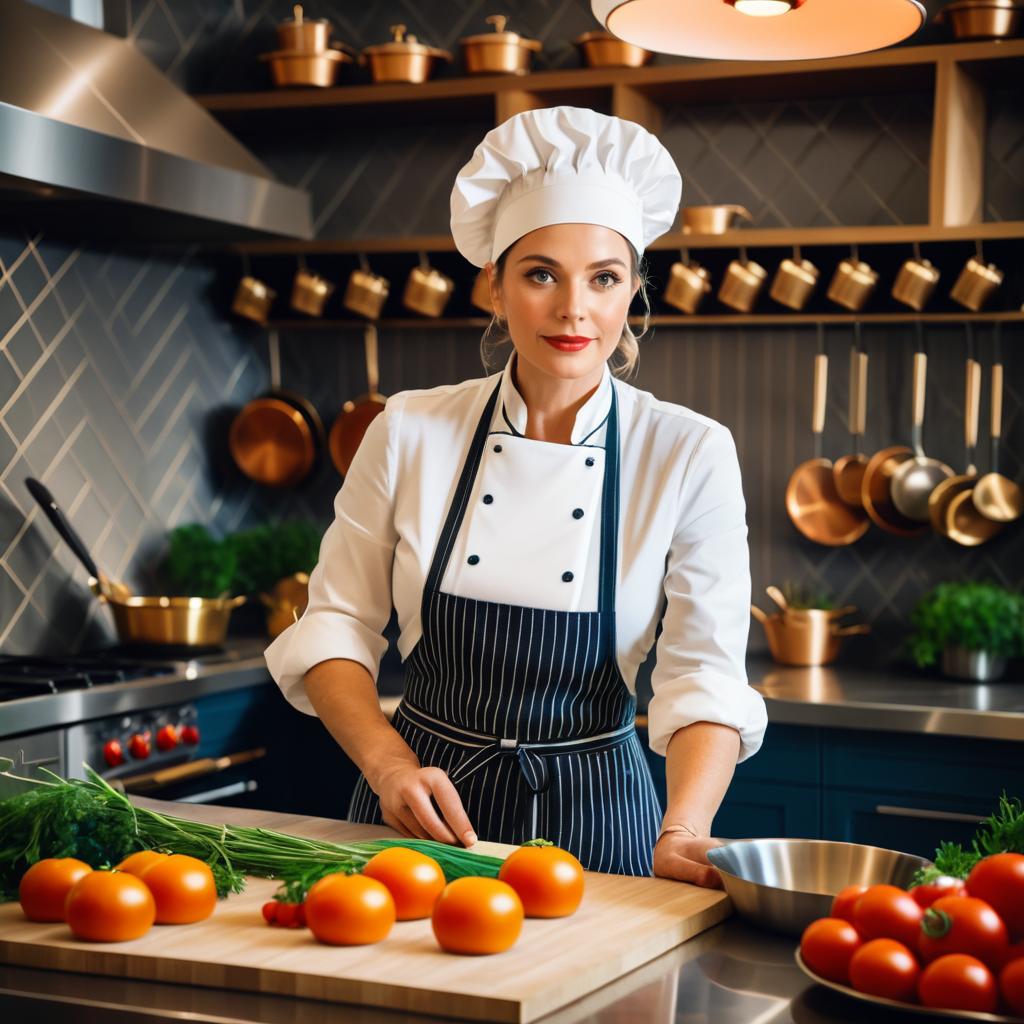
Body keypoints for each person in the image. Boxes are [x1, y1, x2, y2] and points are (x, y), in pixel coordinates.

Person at [265, 106, 767, 884]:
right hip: (418, 815)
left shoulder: (688, 450)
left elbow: (704, 677)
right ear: (493, 288)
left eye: (604, 278)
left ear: (632, 292)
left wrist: (685, 827)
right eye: (541, 275)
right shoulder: (409, 429)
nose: (574, 310)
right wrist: (388, 767)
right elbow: (335, 628)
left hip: (600, 825)